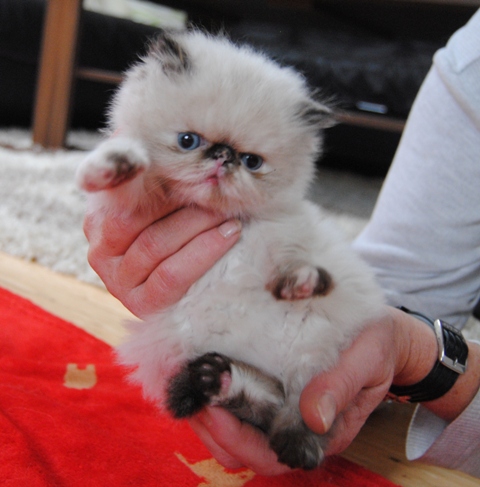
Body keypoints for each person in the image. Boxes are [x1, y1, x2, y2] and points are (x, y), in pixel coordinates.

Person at [84, 9, 480, 478]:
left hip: (271, 327)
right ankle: (250, 392)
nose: (220, 166)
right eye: (190, 141)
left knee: (324, 313)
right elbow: (411, 288)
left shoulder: (279, 216)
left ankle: (266, 399)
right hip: (209, 334)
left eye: (250, 161)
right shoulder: (469, 64)